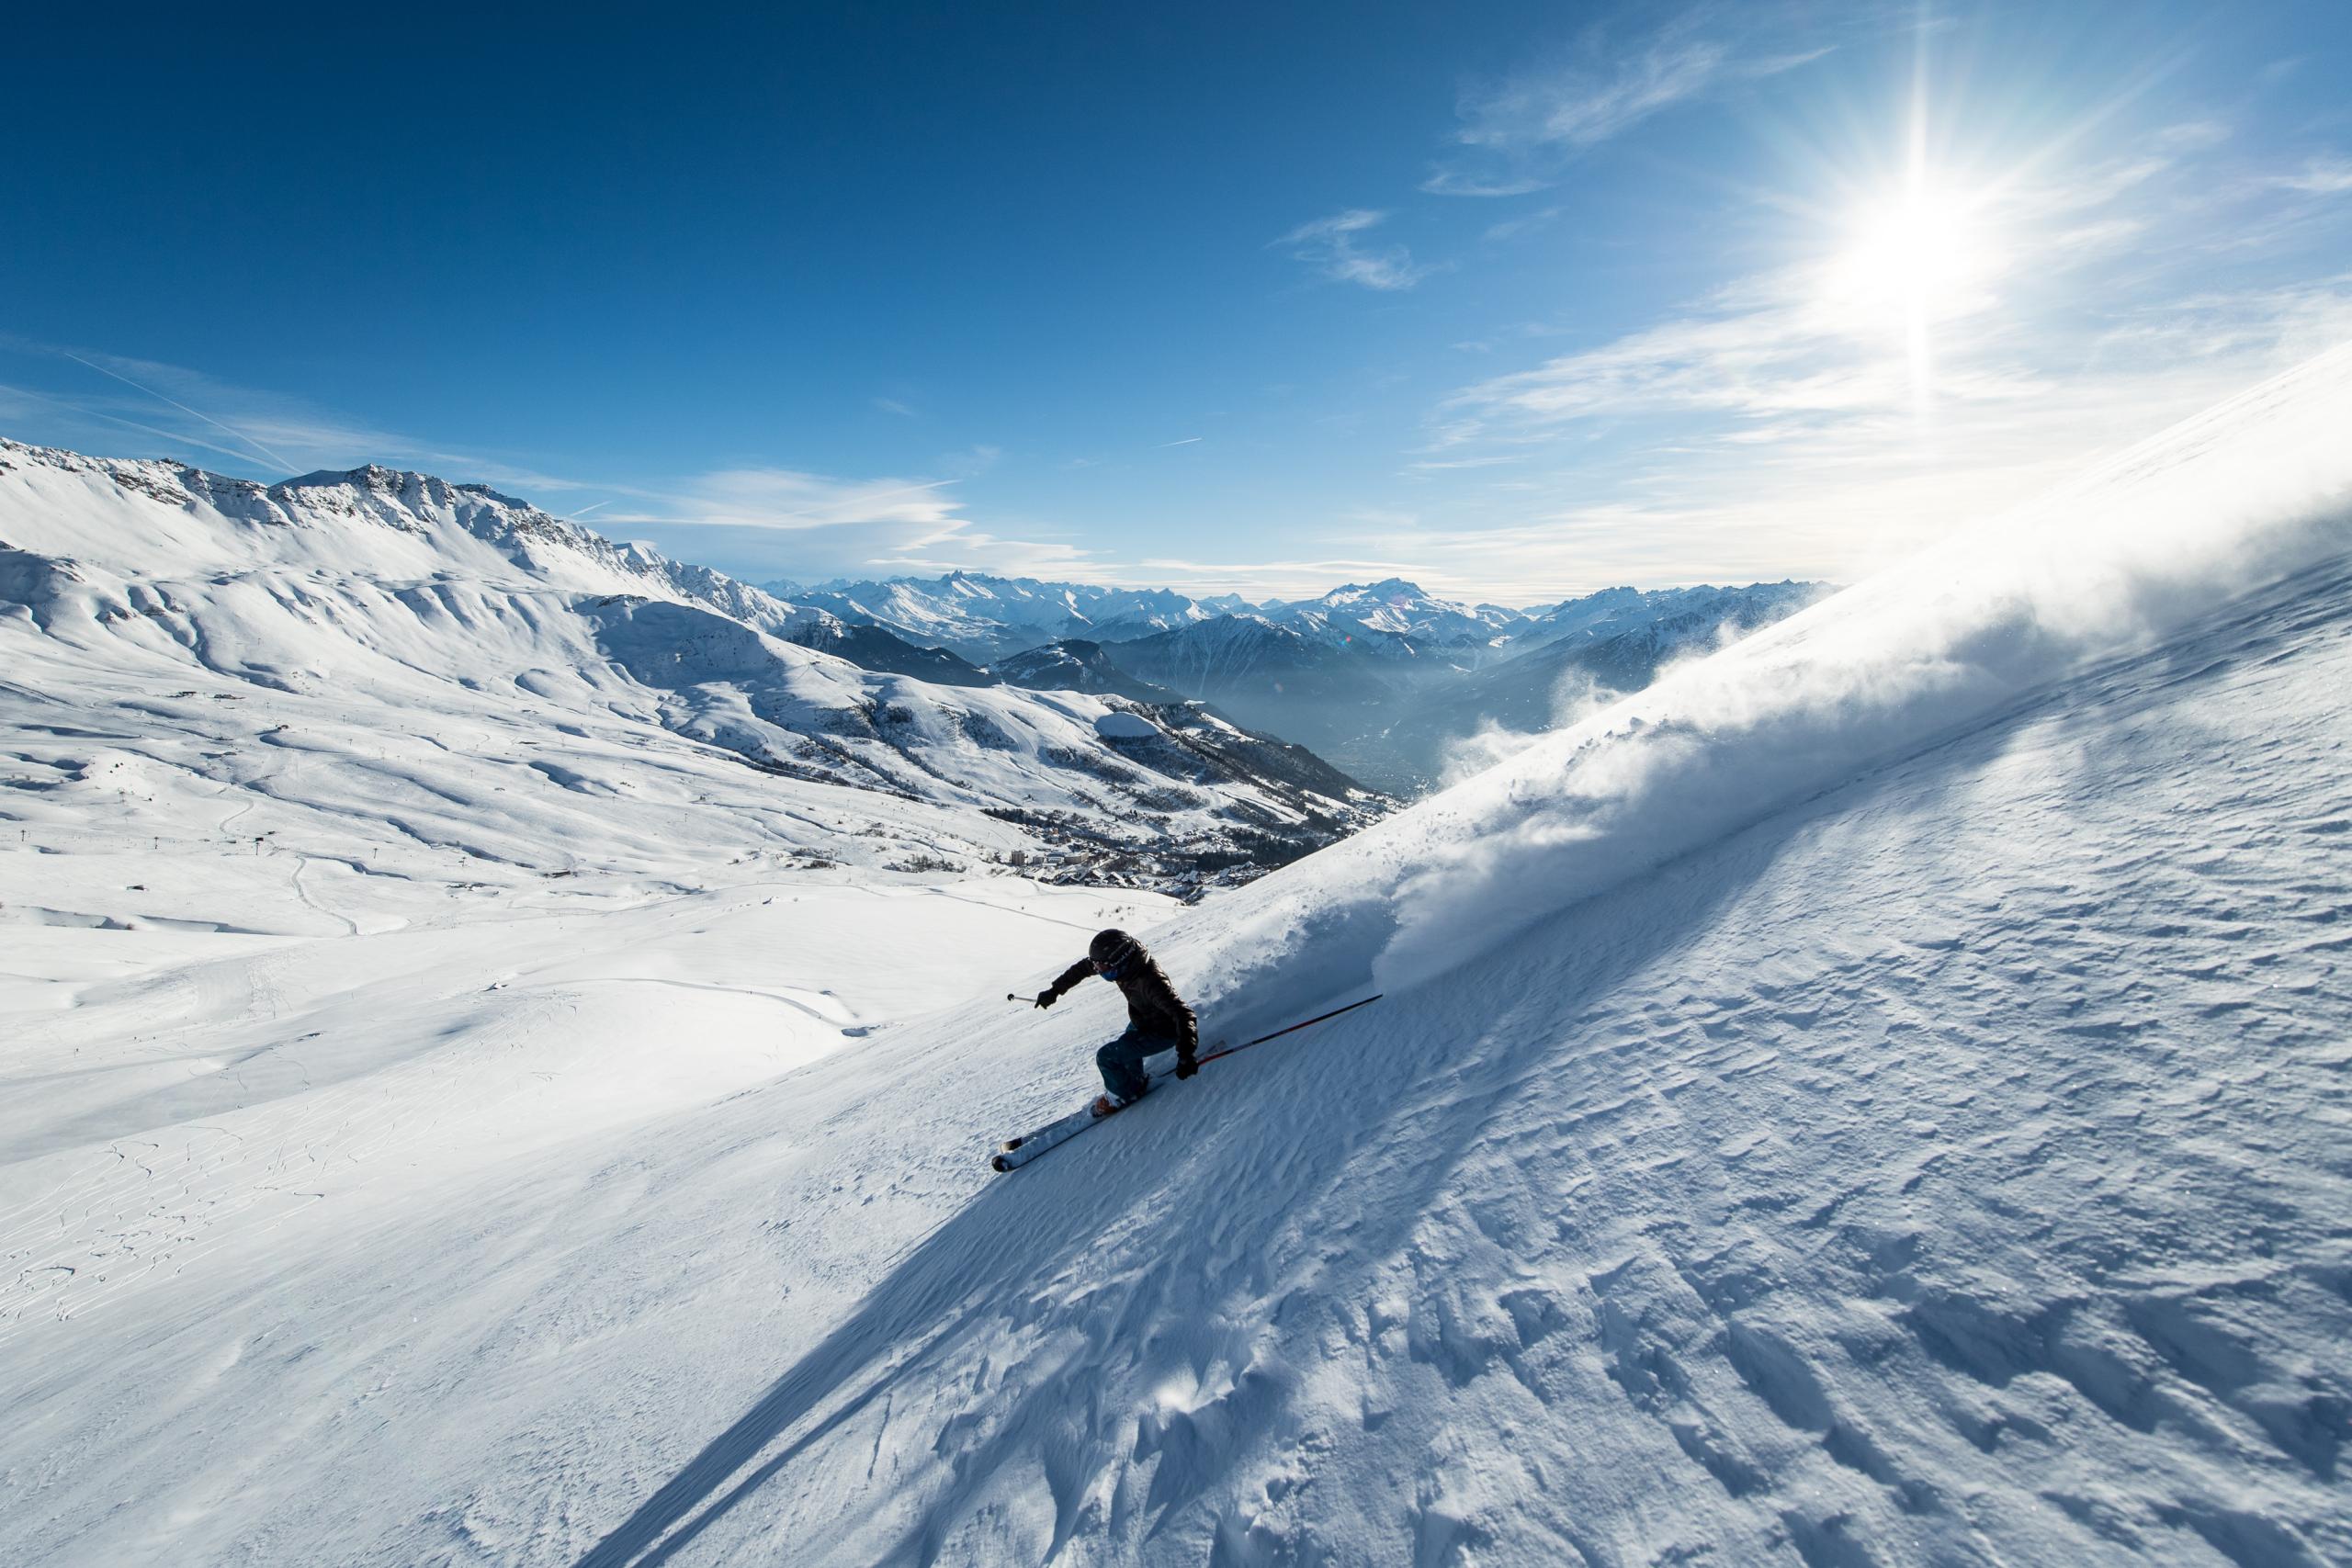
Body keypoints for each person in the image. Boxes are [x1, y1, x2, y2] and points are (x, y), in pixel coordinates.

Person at [1033, 928, 1198, 1113]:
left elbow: (1183, 1014)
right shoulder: (1122, 963)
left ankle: (1122, 1095)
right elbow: (1081, 969)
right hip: (1143, 1021)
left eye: (1102, 968)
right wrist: (1054, 991)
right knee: (1124, 1047)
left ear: (1121, 961)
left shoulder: (1151, 981)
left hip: (1164, 1032)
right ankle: (1134, 1084)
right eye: (1097, 966)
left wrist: (1186, 1054)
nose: (1098, 970)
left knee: (1107, 1057)